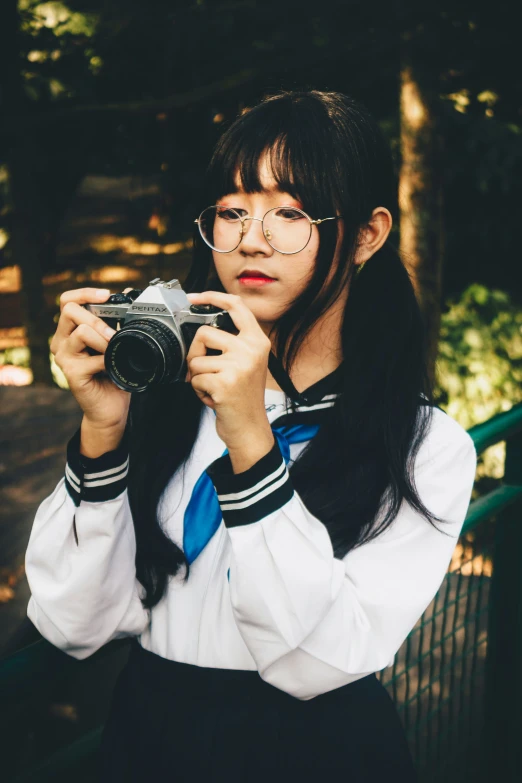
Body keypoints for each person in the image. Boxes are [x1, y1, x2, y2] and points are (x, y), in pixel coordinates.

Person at [24, 90, 477, 782]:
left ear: (368, 234)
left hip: (318, 752)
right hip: (149, 735)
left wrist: (249, 437)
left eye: (290, 212)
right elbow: (74, 623)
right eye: (232, 211)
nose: (250, 240)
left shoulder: (427, 447)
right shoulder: (168, 403)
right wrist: (102, 428)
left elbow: (314, 662)